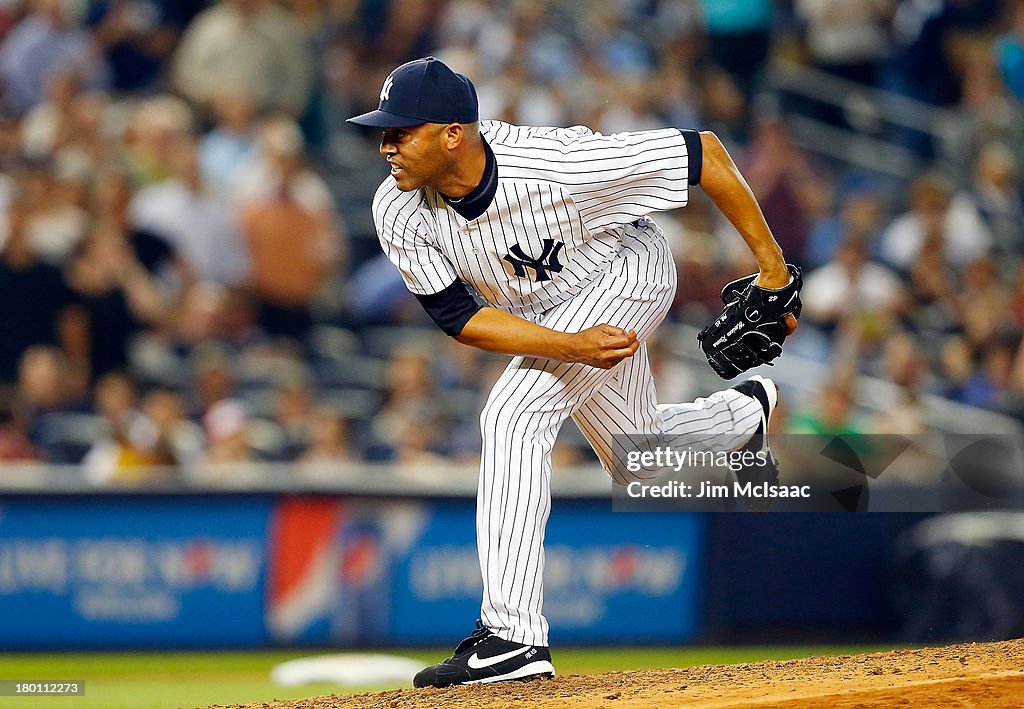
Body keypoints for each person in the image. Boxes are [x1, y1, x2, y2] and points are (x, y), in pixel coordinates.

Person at [348, 57, 797, 688]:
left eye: (401, 129)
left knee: (512, 414)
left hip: (623, 271)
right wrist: (566, 344)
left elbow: (706, 155)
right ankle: (745, 416)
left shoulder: (555, 164)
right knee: (636, 460)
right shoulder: (397, 207)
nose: (386, 143)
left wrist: (773, 270)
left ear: (453, 133)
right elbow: (460, 317)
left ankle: (512, 637)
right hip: (552, 314)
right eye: (384, 130)